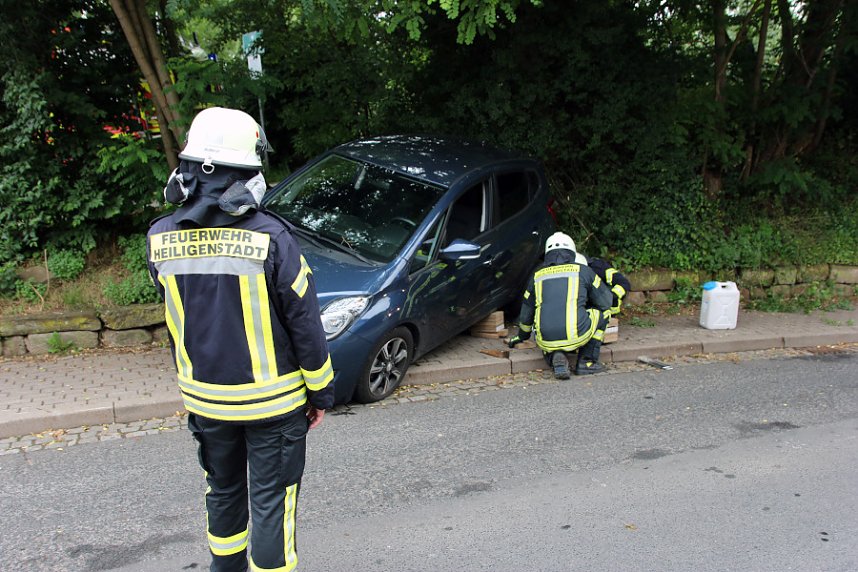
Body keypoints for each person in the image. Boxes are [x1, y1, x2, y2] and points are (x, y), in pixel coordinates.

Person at [146, 107, 334, 572]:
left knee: (224, 491)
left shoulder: (159, 239)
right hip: (273, 405)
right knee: (273, 500)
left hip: (206, 403)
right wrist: (321, 392)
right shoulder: (272, 238)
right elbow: (305, 323)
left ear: (187, 171)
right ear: (247, 174)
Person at [508, 232, 612, 377]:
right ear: (572, 252)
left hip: (545, 339)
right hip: (577, 334)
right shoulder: (584, 271)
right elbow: (606, 302)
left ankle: (555, 354)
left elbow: (526, 313)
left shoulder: (537, 276)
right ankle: (587, 362)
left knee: (544, 327)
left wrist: (521, 336)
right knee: (604, 313)